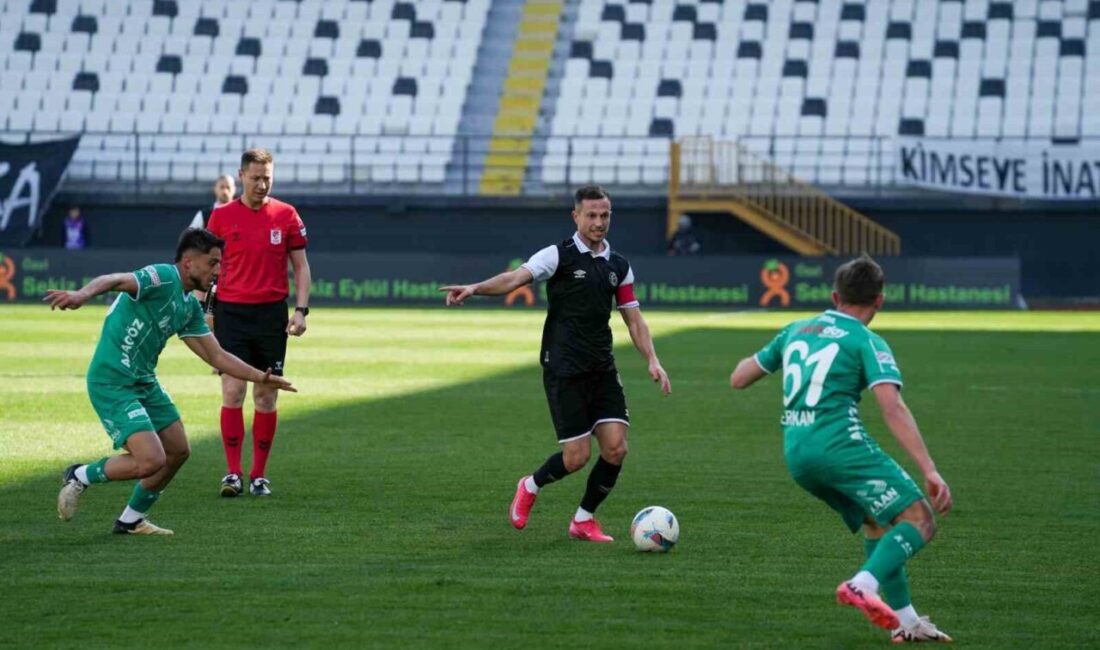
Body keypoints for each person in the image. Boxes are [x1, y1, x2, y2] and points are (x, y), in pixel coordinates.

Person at [729, 254, 953, 643]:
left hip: (797, 454)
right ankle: (863, 584)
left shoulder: (796, 328)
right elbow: (892, 407)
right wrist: (929, 468)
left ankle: (907, 622)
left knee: (877, 522)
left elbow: (739, 378)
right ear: (880, 300)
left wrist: (774, 353)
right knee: (920, 519)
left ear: (835, 296)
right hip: (840, 447)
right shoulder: (866, 340)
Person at [440, 185, 671, 543]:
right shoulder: (557, 255)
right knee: (576, 457)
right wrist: (475, 287)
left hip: (602, 367)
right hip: (564, 367)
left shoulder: (618, 265)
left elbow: (634, 319)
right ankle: (530, 485)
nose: (598, 222)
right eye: (591, 215)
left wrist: (653, 360)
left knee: (616, 447)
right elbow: (515, 278)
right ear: (576, 216)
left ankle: (583, 520)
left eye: (604, 215)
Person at [48, 228, 296, 535]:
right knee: (151, 459)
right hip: (111, 381)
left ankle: (131, 521)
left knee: (178, 450)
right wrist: (82, 295)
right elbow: (115, 279)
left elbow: (217, 356)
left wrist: (263, 377)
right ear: (189, 262)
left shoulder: (189, 307)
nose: (219, 270)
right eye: (213, 262)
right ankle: (81, 475)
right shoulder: (162, 276)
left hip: (144, 381)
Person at [207, 149, 311, 498]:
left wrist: (301, 310)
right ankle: (233, 473)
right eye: (256, 177)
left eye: (268, 177)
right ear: (241, 176)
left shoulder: (286, 214)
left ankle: (258, 475)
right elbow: (209, 269)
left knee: (266, 395)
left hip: (270, 316)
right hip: (231, 314)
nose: (262, 183)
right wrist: (207, 310)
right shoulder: (220, 217)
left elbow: (300, 266)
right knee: (233, 390)